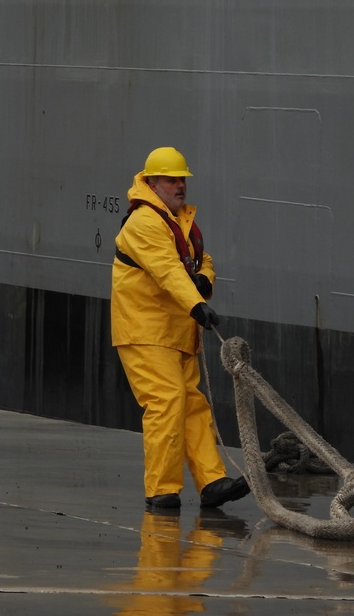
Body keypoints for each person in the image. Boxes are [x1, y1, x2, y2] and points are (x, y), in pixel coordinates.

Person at [111, 146, 250, 510]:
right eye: (171, 179)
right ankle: (162, 489)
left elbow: (200, 261)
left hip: (175, 334)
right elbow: (167, 270)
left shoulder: (178, 221)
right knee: (167, 402)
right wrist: (197, 304)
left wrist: (204, 281)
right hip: (145, 331)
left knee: (191, 405)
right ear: (152, 183)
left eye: (182, 179)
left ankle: (212, 481)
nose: (179, 186)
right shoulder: (144, 222)